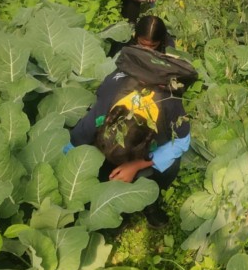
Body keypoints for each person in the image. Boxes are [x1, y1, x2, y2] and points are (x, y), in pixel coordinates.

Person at [66, 17, 196, 228]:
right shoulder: (113, 93)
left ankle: (150, 202)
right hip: (114, 148)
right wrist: (67, 158)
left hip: (147, 149)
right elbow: (83, 131)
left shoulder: (168, 100)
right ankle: (112, 198)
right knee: (95, 162)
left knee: (171, 164)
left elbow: (182, 141)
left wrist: (136, 164)